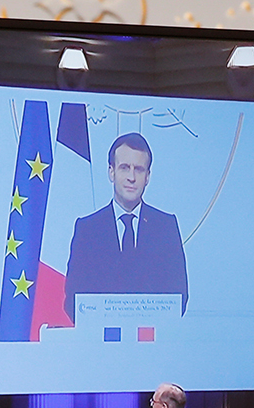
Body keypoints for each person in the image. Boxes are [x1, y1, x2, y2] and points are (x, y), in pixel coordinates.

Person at [64, 132, 190, 317]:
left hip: (152, 335)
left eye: (139, 169)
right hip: (100, 335)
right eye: (124, 168)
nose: (132, 177)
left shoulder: (166, 227)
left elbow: (179, 297)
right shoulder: (87, 229)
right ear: (111, 172)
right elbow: (73, 300)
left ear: (147, 176)